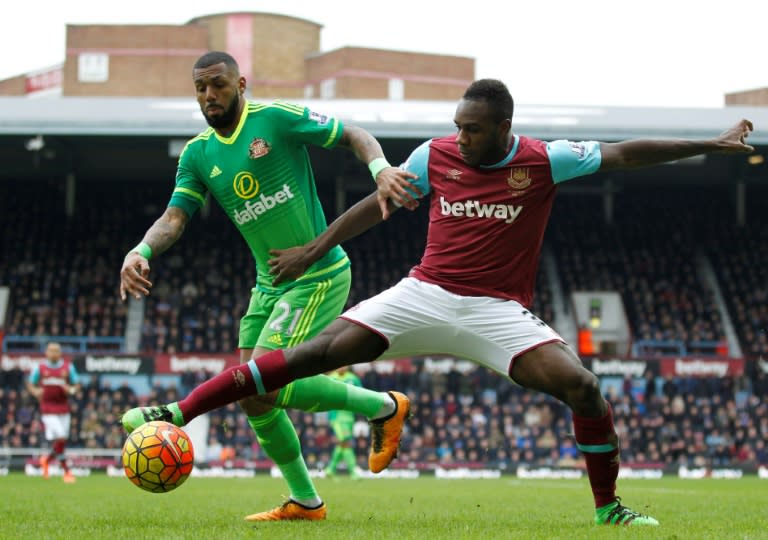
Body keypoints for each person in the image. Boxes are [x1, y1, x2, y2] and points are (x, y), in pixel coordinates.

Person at [122, 79, 755, 527]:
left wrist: (710, 145)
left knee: (583, 387)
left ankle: (610, 509)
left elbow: (623, 154)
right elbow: (381, 203)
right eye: (456, 124)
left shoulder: (542, 160)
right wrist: (316, 248)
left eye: (471, 128)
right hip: (422, 294)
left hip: (496, 311)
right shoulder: (437, 154)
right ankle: (179, 411)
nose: (458, 136)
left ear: (503, 128)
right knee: (302, 358)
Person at [119, 51, 419, 522]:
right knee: (253, 396)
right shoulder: (198, 154)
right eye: (200, 88)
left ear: (240, 83)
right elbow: (175, 217)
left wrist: (379, 168)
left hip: (317, 275)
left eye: (217, 85)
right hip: (268, 286)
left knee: (263, 380)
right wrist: (141, 250)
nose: (208, 96)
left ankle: (381, 406)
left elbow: (353, 135)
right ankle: (306, 500)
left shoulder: (276, 119)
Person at [26, 342, 80, 483]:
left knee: (61, 441)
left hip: (64, 408)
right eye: (51, 350)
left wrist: (71, 390)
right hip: (48, 408)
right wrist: (35, 391)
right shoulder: (40, 367)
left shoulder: (68, 367)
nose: (54, 353)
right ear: (46, 352)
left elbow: (77, 384)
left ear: (60, 353)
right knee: (61, 437)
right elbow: (31, 383)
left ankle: (46, 460)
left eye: (56, 351)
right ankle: (67, 472)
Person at [324, 366, 364, 479]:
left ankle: (330, 469)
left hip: (349, 416)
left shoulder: (353, 378)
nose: (342, 367)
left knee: (343, 443)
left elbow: (362, 394)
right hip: (336, 416)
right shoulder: (331, 378)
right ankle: (353, 471)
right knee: (346, 442)